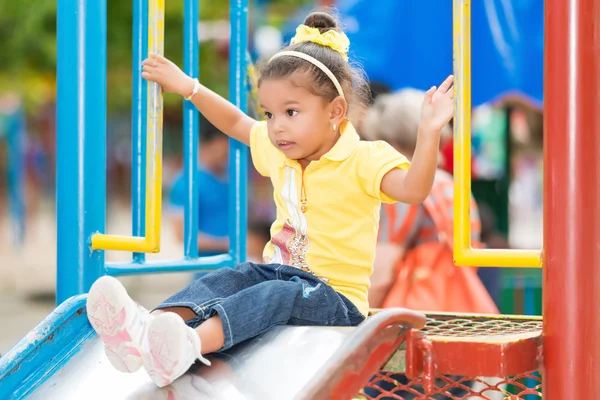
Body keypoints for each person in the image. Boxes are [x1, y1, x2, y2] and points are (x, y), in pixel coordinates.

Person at [86, 11, 454, 388]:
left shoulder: (365, 158)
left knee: (278, 293)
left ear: (336, 111)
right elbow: (234, 122)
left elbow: (413, 189)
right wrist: (188, 87)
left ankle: (192, 343)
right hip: (279, 272)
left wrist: (429, 133)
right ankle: (145, 331)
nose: (276, 125)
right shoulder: (282, 151)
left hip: (335, 299)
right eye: (269, 113)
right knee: (233, 276)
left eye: (291, 112)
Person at [364, 89, 497, 314]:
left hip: (414, 320)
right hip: (457, 315)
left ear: (391, 144)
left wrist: (354, 322)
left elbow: (381, 274)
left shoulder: (402, 188)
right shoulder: (451, 185)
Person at [169, 117, 229, 258]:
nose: (225, 158)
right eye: (220, 152)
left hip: (238, 264)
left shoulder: (233, 176)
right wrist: (227, 243)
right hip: (207, 266)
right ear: (204, 145)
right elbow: (182, 234)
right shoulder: (185, 182)